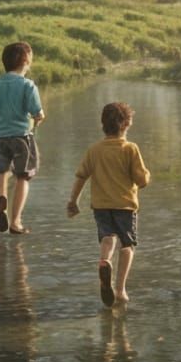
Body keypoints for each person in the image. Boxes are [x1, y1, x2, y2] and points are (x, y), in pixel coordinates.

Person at [67, 100, 151, 307]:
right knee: (127, 245)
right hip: (125, 206)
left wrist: (73, 201)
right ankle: (120, 289)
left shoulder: (94, 150)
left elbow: (81, 176)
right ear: (126, 124)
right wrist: (147, 176)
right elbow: (141, 180)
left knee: (108, 237)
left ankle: (104, 261)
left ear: (103, 124)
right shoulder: (130, 149)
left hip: (101, 206)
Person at [0, 41, 44, 234]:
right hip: (21, 137)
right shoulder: (28, 85)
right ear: (26, 61)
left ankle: (1, 198)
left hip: (0, 136)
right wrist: (38, 119)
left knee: (2, 171)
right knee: (23, 176)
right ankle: (15, 221)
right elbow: (37, 112)